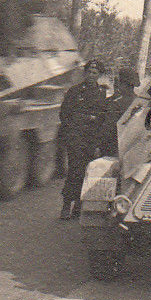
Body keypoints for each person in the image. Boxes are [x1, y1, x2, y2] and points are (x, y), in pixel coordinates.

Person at [58, 59, 108, 221]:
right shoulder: (74, 91)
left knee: (87, 172)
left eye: (95, 73)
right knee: (74, 171)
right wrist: (72, 131)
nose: (91, 75)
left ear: (99, 75)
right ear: (85, 73)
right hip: (76, 137)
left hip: (91, 139)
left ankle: (78, 207)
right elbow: (64, 114)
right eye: (89, 72)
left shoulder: (102, 93)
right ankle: (66, 205)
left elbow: (103, 116)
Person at [99, 65, 139, 156]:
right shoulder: (139, 101)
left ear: (123, 84)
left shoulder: (116, 104)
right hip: (131, 147)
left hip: (113, 147)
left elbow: (108, 129)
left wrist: (98, 146)